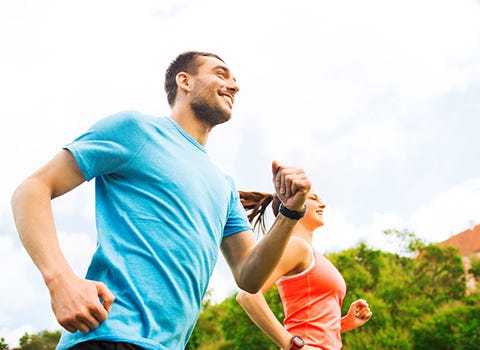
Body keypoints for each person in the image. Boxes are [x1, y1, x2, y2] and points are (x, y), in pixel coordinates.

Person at [11, 51, 312, 350]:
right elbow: (33, 189)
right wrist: (60, 281)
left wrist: (290, 212)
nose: (234, 86)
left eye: (234, 80)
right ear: (185, 81)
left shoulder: (224, 186)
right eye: (221, 74)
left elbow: (250, 276)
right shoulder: (136, 130)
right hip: (108, 336)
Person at [237, 190, 372, 350]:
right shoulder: (297, 246)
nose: (323, 204)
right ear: (295, 204)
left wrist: (344, 323)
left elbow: (308, 322)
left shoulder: (311, 253)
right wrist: (292, 344)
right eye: (314, 198)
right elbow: (247, 296)